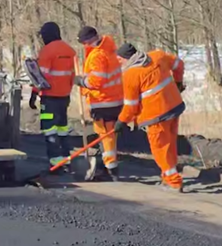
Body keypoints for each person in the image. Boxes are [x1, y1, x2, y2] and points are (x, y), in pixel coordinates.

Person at [115, 42, 186, 191]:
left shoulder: (130, 75)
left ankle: (174, 182)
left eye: (120, 59)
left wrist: (121, 121)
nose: (118, 62)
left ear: (127, 58)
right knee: (169, 143)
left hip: (156, 115)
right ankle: (167, 177)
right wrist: (178, 83)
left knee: (160, 147)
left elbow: (131, 106)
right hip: (174, 107)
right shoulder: (158, 56)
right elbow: (179, 64)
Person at [75, 26, 124, 181]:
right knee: (110, 136)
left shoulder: (98, 55)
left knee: (106, 136)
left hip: (103, 102)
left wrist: (81, 81)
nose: (84, 45)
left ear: (90, 39)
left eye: (84, 42)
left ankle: (111, 169)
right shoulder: (110, 48)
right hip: (115, 99)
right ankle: (108, 165)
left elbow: (96, 80)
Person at [30, 21, 77, 168]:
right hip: (64, 97)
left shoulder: (47, 51)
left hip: (48, 98)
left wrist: (34, 94)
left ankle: (55, 161)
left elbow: (41, 77)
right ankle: (66, 158)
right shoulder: (70, 51)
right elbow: (72, 74)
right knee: (62, 128)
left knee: (49, 128)